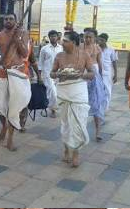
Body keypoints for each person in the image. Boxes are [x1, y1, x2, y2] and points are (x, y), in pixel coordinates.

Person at [0, 13, 31, 151]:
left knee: (13, 108)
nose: (8, 21)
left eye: (11, 19)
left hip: (17, 73)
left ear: (16, 21)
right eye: (5, 19)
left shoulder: (23, 34)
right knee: (0, 108)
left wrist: (17, 38)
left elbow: (25, 54)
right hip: (2, 73)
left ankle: (10, 139)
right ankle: (4, 126)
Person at [51, 31, 94, 167]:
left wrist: (79, 75)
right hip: (64, 91)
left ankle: (75, 153)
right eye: (62, 40)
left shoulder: (84, 55)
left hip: (79, 91)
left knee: (79, 122)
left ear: (74, 43)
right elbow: (52, 73)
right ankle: (66, 149)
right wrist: (59, 73)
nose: (62, 43)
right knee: (66, 123)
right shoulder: (59, 56)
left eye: (65, 41)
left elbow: (92, 74)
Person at [81, 28, 107, 141]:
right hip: (82, 75)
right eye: (85, 36)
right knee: (82, 103)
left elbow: (100, 64)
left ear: (94, 38)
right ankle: (81, 130)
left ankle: (98, 132)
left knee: (96, 104)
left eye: (90, 37)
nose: (87, 39)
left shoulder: (97, 48)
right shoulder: (79, 47)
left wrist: (101, 79)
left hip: (95, 76)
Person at [38, 30, 63, 118]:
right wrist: (39, 76)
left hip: (58, 74)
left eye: (54, 36)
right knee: (53, 91)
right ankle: (53, 109)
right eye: (51, 36)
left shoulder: (61, 48)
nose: (53, 37)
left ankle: (51, 106)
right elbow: (40, 63)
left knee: (55, 92)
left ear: (57, 37)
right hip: (47, 73)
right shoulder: (44, 49)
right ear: (49, 37)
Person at [97, 33, 118, 110]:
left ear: (105, 40)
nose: (100, 41)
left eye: (102, 40)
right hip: (97, 73)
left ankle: (105, 108)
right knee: (98, 90)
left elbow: (114, 62)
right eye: (99, 39)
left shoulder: (111, 49)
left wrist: (116, 74)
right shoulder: (96, 48)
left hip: (107, 73)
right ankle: (99, 107)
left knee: (108, 90)